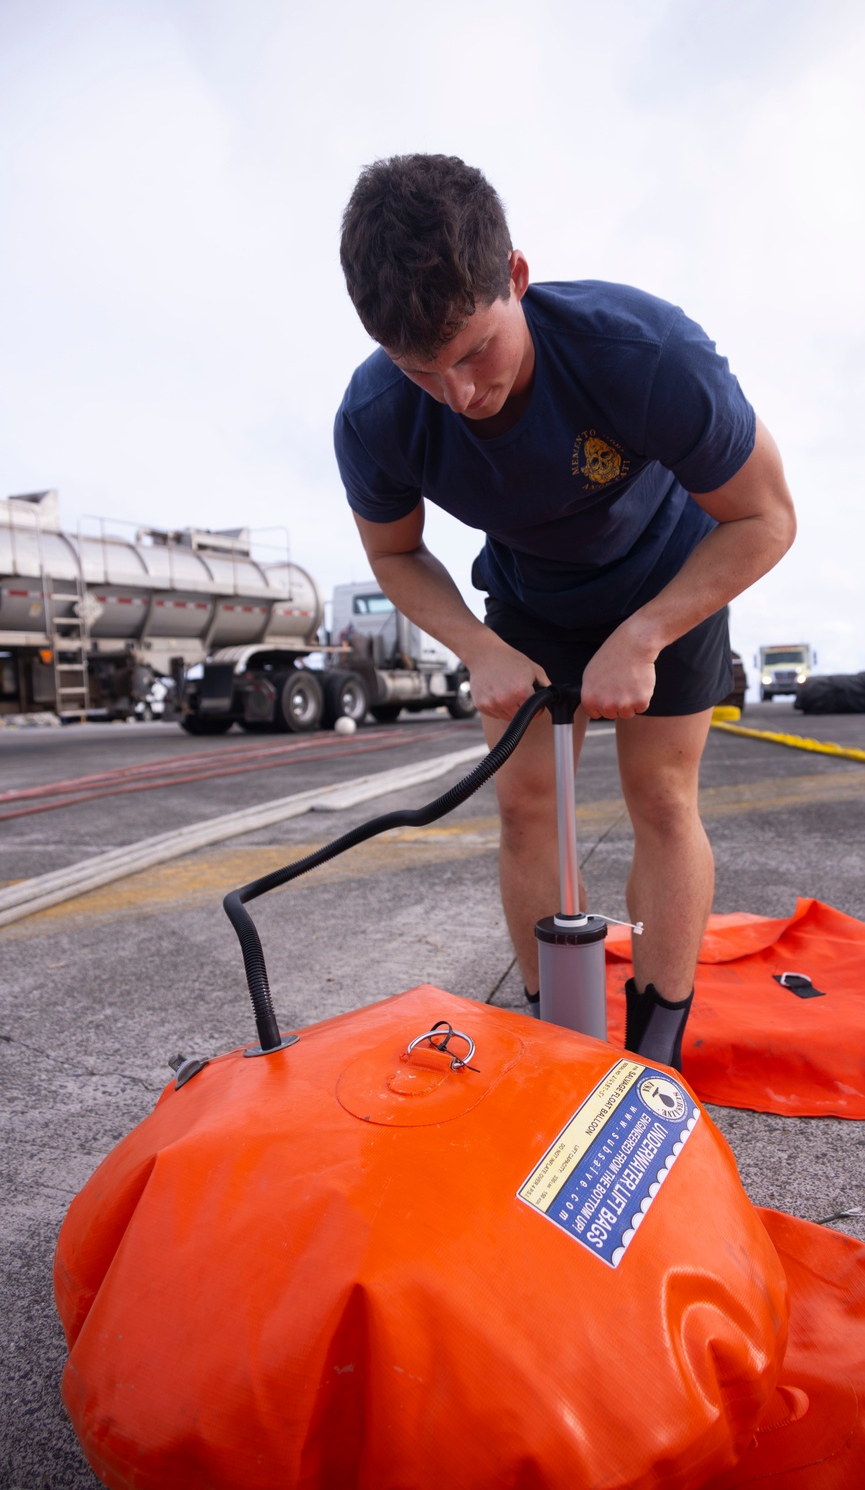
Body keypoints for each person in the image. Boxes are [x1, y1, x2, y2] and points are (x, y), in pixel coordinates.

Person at [334, 153, 795, 1071]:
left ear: (515, 277)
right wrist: (476, 646)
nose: (460, 395)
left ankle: (658, 1043)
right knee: (527, 811)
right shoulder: (377, 415)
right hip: (529, 599)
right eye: (423, 371)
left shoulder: (646, 354)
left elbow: (767, 519)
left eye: (473, 353)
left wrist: (647, 631)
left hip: (671, 575)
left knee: (661, 797)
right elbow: (393, 553)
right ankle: (558, 1040)